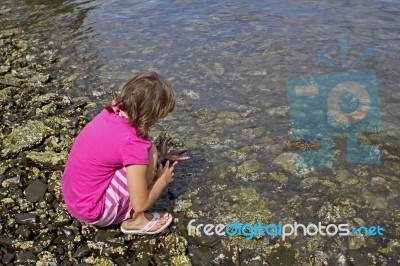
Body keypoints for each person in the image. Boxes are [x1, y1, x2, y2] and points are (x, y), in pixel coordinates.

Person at [61, 71, 177, 234]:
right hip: (92, 210)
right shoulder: (134, 143)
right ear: (150, 116)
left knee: (148, 150)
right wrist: (161, 181)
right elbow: (140, 204)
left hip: (73, 196)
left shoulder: (111, 111)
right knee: (148, 151)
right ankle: (137, 221)